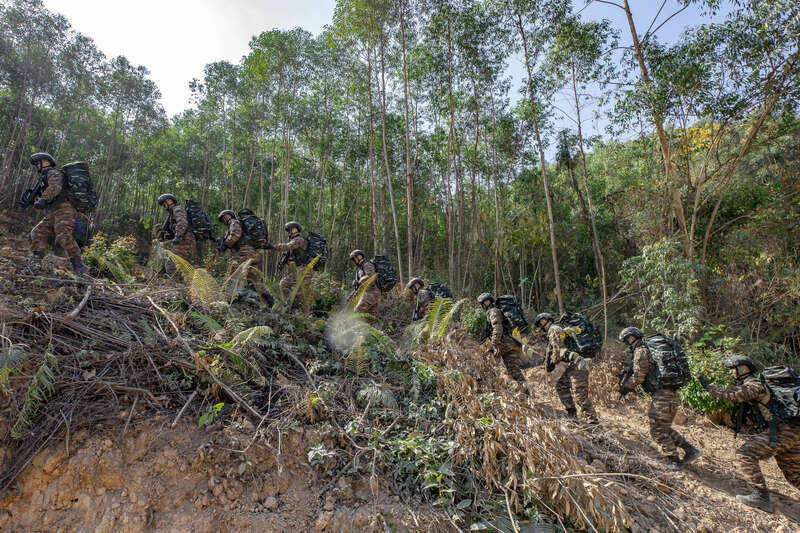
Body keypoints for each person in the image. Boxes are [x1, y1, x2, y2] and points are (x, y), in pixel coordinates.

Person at [698, 355, 800, 512]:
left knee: (745, 454)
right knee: (793, 473)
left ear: (743, 369)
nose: (731, 374)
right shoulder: (761, 384)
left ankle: (760, 497)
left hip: (781, 429)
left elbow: (735, 395)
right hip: (789, 429)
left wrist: (709, 388)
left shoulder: (754, 383)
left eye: (733, 370)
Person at [619, 326, 701, 466]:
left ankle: (673, 461)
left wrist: (626, 387)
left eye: (628, 340)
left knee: (657, 429)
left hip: (663, 395)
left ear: (632, 338)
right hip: (670, 393)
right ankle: (690, 450)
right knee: (662, 428)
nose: (627, 344)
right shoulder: (649, 348)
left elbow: (639, 376)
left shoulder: (641, 350)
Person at [28, 153, 89, 275]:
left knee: (63, 236)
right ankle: (36, 262)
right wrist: (39, 201)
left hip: (66, 209)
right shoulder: (45, 177)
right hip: (55, 210)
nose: (36, 166)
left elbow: (55, 187)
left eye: (37, 163)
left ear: (46, 162)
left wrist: (43, 199)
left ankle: (79, 266)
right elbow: (52, 195)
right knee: (37, 232)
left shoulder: (53, 173)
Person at [534, 312, 598, 424]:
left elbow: (558, 349)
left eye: (542, 322)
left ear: (548, 319)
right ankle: (572, 413)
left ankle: (592, 420)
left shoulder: (553, 329)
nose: (541, 325)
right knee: (561, 386)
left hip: (578, 362)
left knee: (580, 393)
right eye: (540, 323)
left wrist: (552, 362)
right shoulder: (557, 329)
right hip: (574, 363)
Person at [217, 210, 274, 307]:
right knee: (254, 279)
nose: (225, 220)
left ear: (231, 215)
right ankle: (269, 300)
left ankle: (230, 299)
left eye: (226, 217)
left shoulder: (234, 222)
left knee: (233, 272)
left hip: (245, 252)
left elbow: (236, 235)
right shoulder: (240, 223)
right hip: (253, 252)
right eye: (223, 219)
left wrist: (226, 244)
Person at [478, 293, 529, 393]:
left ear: (486, 302)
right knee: (513, 369)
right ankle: (526, 393)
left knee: (485, 359)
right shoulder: (499, 310)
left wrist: (494, 344)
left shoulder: (493, 311)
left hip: (504, 343)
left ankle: (488, 389)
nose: (482, 306)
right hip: (513, 342)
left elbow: (497, 328)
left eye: (482, 304)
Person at [266, 221, 309, 304]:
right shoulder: (294, 241)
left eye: (292, 229)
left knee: (300, 292)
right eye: (290, 229)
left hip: (304, 270)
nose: (290, 231)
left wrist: (272, 246)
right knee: (283, 284)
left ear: (296, 230)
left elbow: (287, 246)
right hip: (298, 270)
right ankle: (287, 305)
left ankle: (302, 311)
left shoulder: (299, 239)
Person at [157, 193, 196, 277]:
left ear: (170, 201)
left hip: (185, 241)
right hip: (183, 240)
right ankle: (181, 281)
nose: (163, 206)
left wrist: (178, 235)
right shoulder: (171, 215)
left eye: (164, 203)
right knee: (179, 263)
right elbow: (174, 228)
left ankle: (174, 284)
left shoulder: (177, 209)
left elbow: (182, 223)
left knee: (172, 264)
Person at [349, 250, 380, 315]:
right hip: (368, 293)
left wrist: (359, 281)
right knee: (370, 317)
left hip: (372, 293)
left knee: (357, 312)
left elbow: (371, 277)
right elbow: (359, 287)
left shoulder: (367, 265)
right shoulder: (359, 270)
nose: (354, 261)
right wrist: (352, 296)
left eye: (354, 258)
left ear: (360, 256)